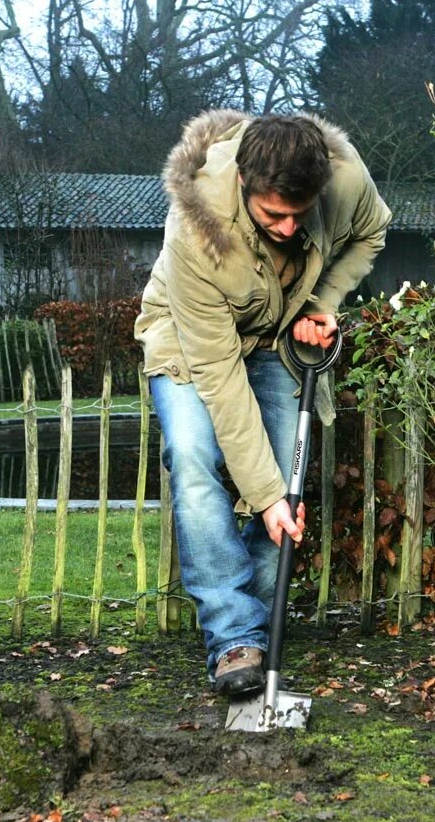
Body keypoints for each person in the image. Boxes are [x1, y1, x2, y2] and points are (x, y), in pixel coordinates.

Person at [134, 110, 391, 697]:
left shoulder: (344, 178)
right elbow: (219, 377)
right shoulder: (196, 230)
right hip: (191, 340)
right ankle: (234, 638)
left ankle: (254, 616)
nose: (287, 225)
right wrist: (264, 495)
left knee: (287, 486)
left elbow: (373, 227)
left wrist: (320, 304)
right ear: (247, 185)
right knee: (195, 459)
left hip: (276, 333)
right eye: (273, 212)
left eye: (300, 213)